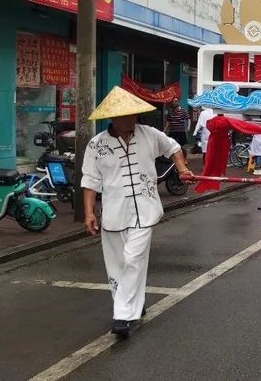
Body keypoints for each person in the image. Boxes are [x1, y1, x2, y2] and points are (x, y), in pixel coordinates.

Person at [81, 87, 194, 338]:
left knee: (133, 258)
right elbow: (89, 181)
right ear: (112, 117)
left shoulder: (149, 135)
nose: (131, 119)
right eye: (124, 115)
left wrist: (182, 168)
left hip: (145, 210)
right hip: (113, 213)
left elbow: (174, 146)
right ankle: (134, 303)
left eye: (133, 114)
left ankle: (122, 315)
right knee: (118, 265)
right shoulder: (96, 145)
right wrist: (89, 212)